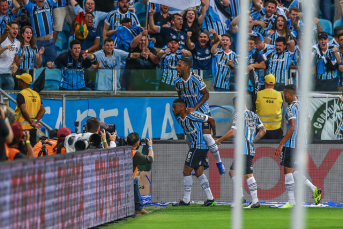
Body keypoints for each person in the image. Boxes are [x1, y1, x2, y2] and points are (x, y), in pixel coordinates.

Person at [174, 58, 226, 175]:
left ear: (186, 67)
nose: (176, 67)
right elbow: (180, 98)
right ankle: (202, 159)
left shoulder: (196, 79)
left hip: (202, 111)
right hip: (190, 114)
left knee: (207, 137)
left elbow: (206, 95)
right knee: (189, 139)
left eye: (179, 65)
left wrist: (195, 108)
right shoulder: (177, 82)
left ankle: (219, 163)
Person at [275, 85, 322, 208]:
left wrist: (281, 144)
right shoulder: (304, 106)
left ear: (288, 94)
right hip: (301, 144)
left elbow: (292, 127)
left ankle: (291, 201)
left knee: (287, 171)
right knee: (294, 171)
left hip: (291, 144)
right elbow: (309, 126)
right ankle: (314, 189)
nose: (284, 96)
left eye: (284, 94)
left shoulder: (290, 108)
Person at [216, 96, 266, 208]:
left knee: (248, 174)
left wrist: (220, 140)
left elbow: (233, 132)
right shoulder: (254, 115)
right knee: (233, 172)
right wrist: (253, 140)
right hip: (248, 148)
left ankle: (255, 201)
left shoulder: (239, 115)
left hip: (244, 149)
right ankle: (240, 198)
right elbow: (263, 130)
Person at [172, 98, 216, 207]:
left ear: (183, 108)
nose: (172, 110)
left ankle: (186, 200)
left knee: (186, 171)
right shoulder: (178, 116)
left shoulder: (192, 115)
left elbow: (211, 120)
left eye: (175, 107)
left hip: (199, 146)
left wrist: (214, 134)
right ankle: (210, 198)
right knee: (198, 172)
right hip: (196, 145)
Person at [14, 73, 45, 146]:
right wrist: (35, 121)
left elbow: (23, 110)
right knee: (32, 150)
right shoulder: (36, 94)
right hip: (33, 129)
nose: (18, 81)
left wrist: (31, 121)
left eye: (19, 80)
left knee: (22, 152)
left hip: (22, 129)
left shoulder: (21, 94)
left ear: (23, 83)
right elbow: (43, 110)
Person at [127, 132, 154, 215]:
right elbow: (150, 159)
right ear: (138, 143)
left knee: (135, 179)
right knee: (134, 179)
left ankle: (138, 208)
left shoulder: (121, 149)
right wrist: (150, 146)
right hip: (127, 180)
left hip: (119, 178)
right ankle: (138, 208)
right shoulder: (135, 154)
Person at [23, 0, 58, 65]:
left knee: (51, 66)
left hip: (50, 43)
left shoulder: (49, 3)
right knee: (36, 66)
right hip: (37, 43)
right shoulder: (31, 7)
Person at [255, 74, 283, 139]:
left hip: (261, 130)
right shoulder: (280, 95)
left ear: (265, 82)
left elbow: (255, 107)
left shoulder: (258, 94)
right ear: (275, 83)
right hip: (276, 129)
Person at [0, 21, 20, 90]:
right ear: (9, 29)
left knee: (8, 97)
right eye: (13, 28)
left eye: (17, 29)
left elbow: (14, 57)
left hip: (8, 74)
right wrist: (5, 48)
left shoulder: (18, 43)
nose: (15, 30)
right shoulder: (2, 40)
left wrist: (14, 64)